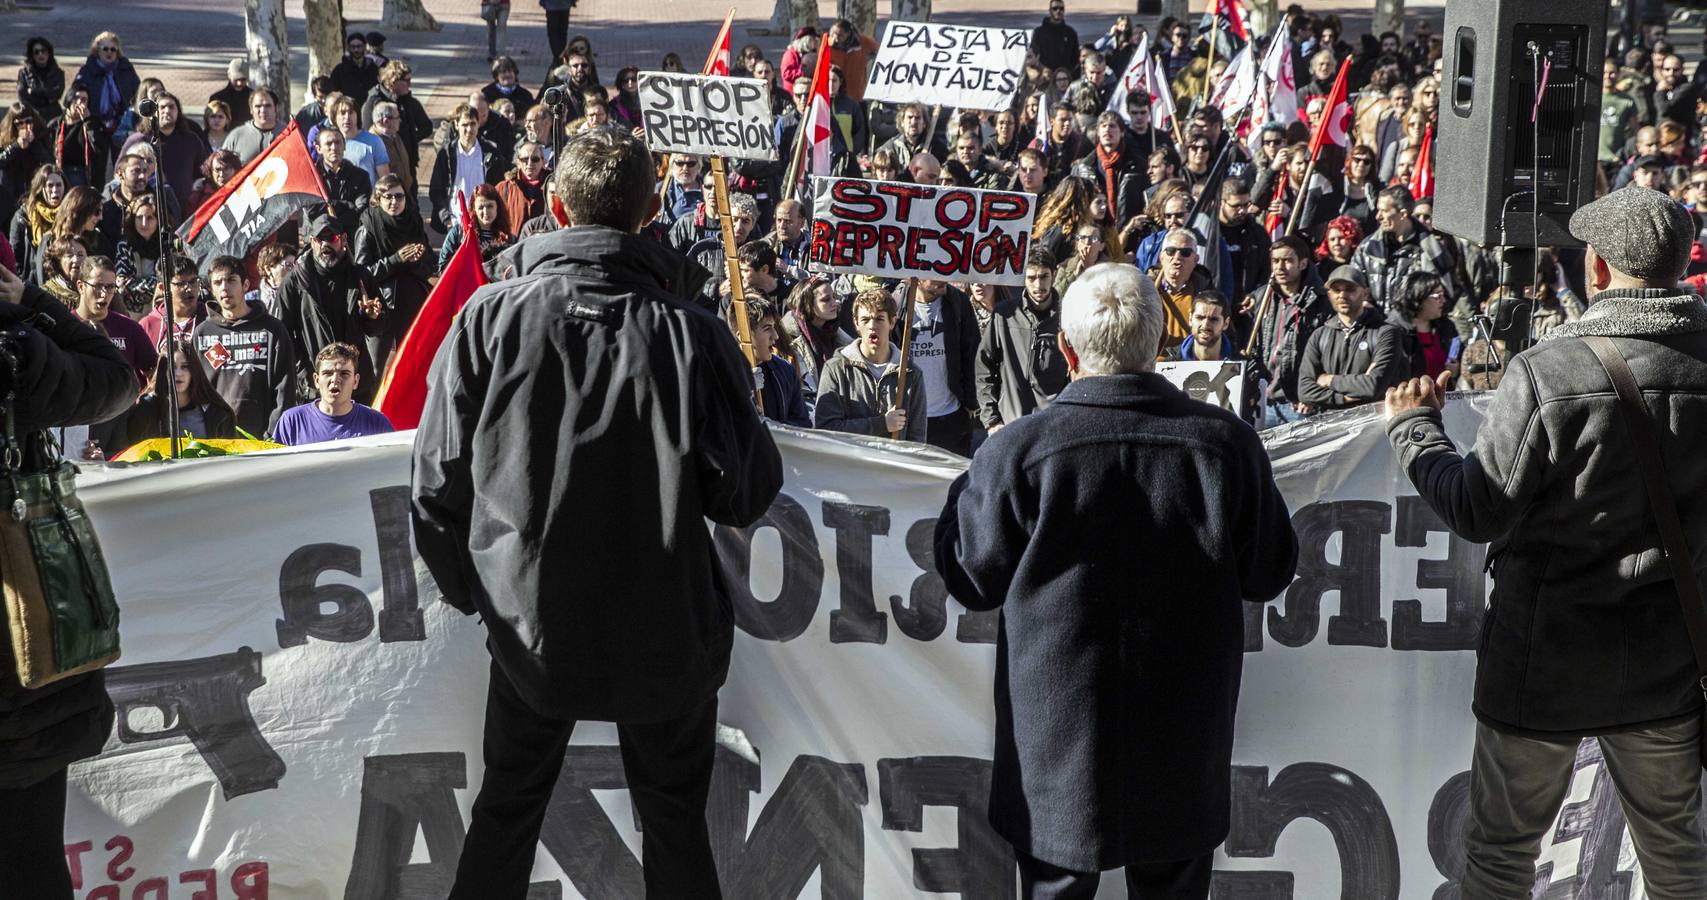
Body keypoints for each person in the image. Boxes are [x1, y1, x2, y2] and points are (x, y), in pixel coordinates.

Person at [412, 125, 781, 900]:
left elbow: (433, 489)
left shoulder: (489, 319)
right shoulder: (693, 335)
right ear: (651, 213)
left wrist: (487, 599)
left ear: (553, 206)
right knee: (673, 825)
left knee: (505, 811)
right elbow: (742, 492)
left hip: (532, 631)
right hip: (661, 633)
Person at [934, 261, 1297, 900]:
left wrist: (971, 484)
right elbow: (1269, 569)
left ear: (1068, 351)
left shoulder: (1020, 448)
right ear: (1159, 345)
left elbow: (970, 576)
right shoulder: (1224, 445)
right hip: (1179, 738)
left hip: (1056, 745)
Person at [1384, 186, 1707, 900]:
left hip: (1542, 662)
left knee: (1501, 859)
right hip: (1667, 662)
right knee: (1678, 864)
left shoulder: (1549, 371)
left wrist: (1411, 429)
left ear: (1594, 270)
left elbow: (1477, 509)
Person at [0, 261, 135, 900]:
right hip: (19, 678)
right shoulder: (14, 352)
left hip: (20, 694)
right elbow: (117, 376)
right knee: (29, 863)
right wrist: (32, 303)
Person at [274, 213, 385, 404]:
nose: (325, 244)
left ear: (343, 240)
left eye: (332, 238)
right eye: (320, 239)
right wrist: (305, 372)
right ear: (312, 242)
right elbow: (282, 334)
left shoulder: (360, 277)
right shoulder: (296, 282)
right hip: (316, 384)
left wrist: (372, 317)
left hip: (355, 383)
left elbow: (379, 328)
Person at [190, 254, 294, 437]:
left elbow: (285, 388)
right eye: (218, 282)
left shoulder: (272, 329)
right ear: (210, 289)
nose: (224, 288)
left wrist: (274, 435)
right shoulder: (202, 333)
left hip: (264, 440)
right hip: (216, 442)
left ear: (245, 285)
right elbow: (195, 390)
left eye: (231, 280)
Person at [813, 287, 927, 442]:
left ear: (892, 321)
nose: (872, 326)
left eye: (879, 319)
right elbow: (826, 428)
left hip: (893, 464)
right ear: (856, 323)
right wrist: (882, 424)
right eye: (865, 320)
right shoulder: (836, 369)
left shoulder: (911, 374)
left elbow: (917, 437)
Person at [977, 248, 1069, 433]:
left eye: (1044, 277)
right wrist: (991, 419)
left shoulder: (1067, 317)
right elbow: (984, 367)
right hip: (1010, 424)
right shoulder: (1005, 314)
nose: (1038, 285)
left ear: (1054, 274)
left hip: (1053, 426)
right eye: (1031, 278)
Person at [1296, 265, 1404, 413]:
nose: (1342, 295)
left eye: (1350, 289)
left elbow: (1373, 386)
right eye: (1336, 290)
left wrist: (1329, 380)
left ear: (1365, 293)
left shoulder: (1386, 333)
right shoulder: (1320, 334)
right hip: (1330, 427)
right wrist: (1343, 399)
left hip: (1372, 426)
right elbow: (1304, 391)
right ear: (1329, 295)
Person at [1246, 235, 1332, 419]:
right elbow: (1254, 349)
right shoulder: (1263, 298)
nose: (1280, 267)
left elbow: (1326, 355)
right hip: (1264, 400)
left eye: (1287, 261)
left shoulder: (1320, 301)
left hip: (1299, 403)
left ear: (1302, 263)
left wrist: (1312, 394)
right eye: (1275, 261)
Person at [1349, 186, 1457, 311]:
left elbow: (1447, 297)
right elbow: (1353, 283)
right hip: (1374, 326)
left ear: (1403, 214)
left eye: (1384, 211)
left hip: (1412, 328)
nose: (1378, 216)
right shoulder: (1368, 248)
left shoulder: (1432, 251)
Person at [272, 342, 393, 445]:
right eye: (328, 373)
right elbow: (276, 467)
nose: (335, 379)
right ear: (316, 380)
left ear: (355, 381)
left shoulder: (377, 423)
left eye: (344, 374)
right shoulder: (292, 421)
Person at [122, 345, 238, 443]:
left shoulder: (217, 412)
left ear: (194, 371)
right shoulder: (145, 409)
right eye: (172, 367)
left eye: (185, 367)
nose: (178, 373)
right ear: (163, 371)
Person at [429, 103, 502, 234]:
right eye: (464, 125)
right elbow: (436, 190)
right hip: (455, 223)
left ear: (479, 124)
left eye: (473, 124)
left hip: (483, 222)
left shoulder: (491, 152)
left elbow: (499, 188)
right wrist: (447, 219)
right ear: (456, 125)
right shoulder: (446, 154)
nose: (469, 129)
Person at [742, 298, 810, 428]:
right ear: (743, 335)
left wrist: (773, 429)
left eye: (774, 327)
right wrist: (744, 389)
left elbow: (802, 422)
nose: (776, 336)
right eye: (767, 328)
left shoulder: (785, 371)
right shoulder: (724, 374)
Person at [1148, 227, 1215, 352]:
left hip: (1191, 364)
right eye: (1170, 251)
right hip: (1151, 363)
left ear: (1196, 259)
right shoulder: (1143, 292)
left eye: (1185, 252)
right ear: (1161, 257)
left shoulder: (1207, 295)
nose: (1177, 257)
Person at [361, 61, 433, 175]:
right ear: (394, 81)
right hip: (384, 165)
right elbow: (366, 134)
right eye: (407, 80)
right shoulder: (373, 102)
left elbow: (427, 127)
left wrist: (410, 139)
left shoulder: (408, 101)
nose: (410, 84)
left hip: (407, 163)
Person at [222, 89, 286, 165]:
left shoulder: (288, 134)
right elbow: (222, 165)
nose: (263, 110)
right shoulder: (236, 136)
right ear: (251, 109)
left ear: (276, 108)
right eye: (258, 106)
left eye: (268, 106)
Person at [1172, 291, 1240, 361]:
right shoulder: (1170, 366)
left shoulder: (1242, 367)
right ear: (1190, 319)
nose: (1205, 325)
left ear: (1226, 323)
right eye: (1200, 317)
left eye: (1213, 319)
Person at [16, 37, 65, 120]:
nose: (40, 54)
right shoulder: (24, 73)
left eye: (43, 51)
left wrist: (34, 91)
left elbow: (57, 94)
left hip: (53, 115)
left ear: (49, 53)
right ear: (32, 55)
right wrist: (46, 96)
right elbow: (22, 94)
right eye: (36, 52)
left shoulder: (58, 73)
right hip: (32, 114)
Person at [1031, 0, 1080, 78]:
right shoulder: (1039, 32)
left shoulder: (1070, 33)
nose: (1058, 11)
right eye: (1055, 8)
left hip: (1064, 79)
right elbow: (1032, 56)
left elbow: (1076, 59)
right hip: (1045, 78)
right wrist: (1042, 70)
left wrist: (1072, 76)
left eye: (1061, 9)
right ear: (1050, 10)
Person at [331, 33, 380, 107]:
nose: (356, 50)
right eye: (353, 47)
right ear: (348, 48)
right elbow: (334, 93)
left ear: (364, 47)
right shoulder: (340, 70)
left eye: (359, 46)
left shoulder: (373, 68)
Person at [209, 58, 252, 128]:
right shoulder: (218, 98)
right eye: (236, 79)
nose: (239, 83)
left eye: (243, 79)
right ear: (229, 75)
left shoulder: (253, 97)